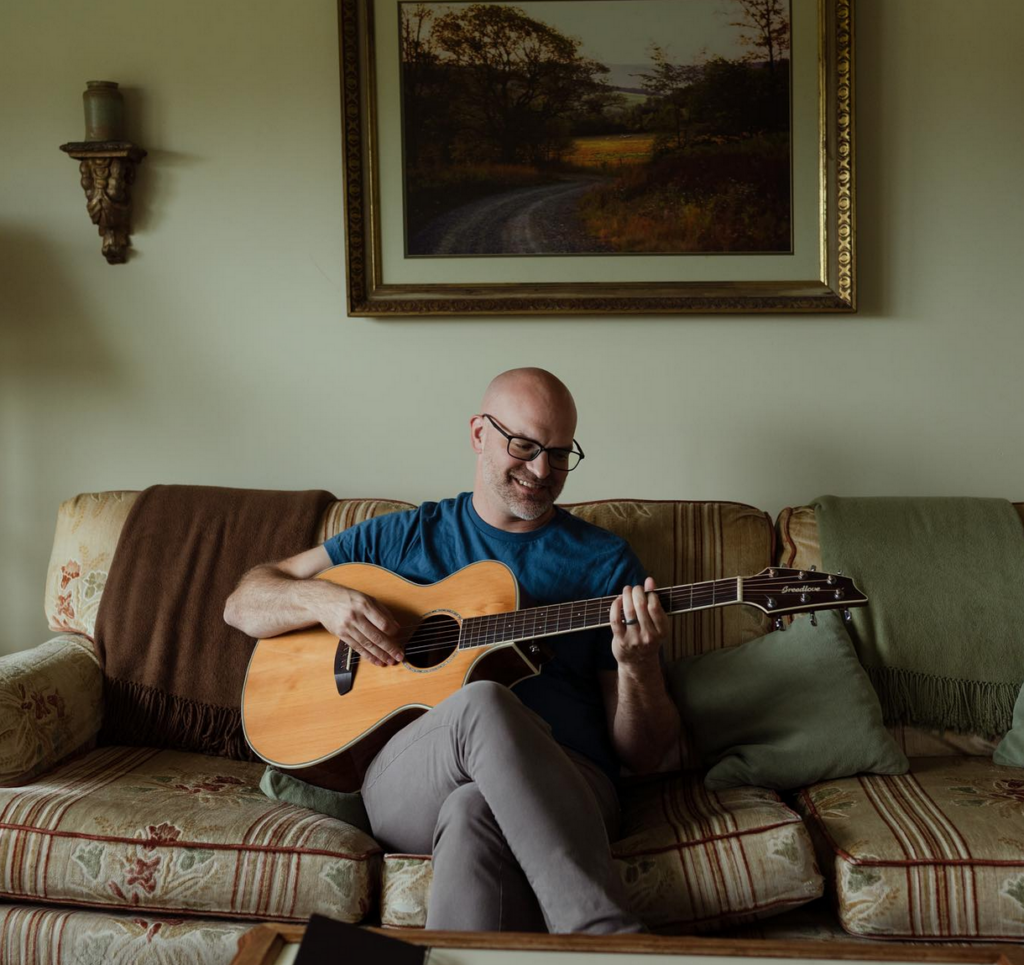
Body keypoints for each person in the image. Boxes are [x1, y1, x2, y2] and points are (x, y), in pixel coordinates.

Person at [224, 368, 681, 934]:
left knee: (472, 809)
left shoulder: (606, 562)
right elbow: (242, 604)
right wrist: (322, 600)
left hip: (573, 783)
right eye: (524, 446)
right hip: (407, 782)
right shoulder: (401, 538)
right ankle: (607, 940)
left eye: (560, 455)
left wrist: (638, 670)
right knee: (482, 703)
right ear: (477, 434)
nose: (542, 471)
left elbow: (644, 756)